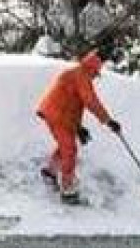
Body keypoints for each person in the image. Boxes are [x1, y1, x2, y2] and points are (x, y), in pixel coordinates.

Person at [36, 50, 122, 205]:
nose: (96, 77)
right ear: (93, 69)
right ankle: (68, 190)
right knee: (70, 149)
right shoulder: (82, 76)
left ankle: (50, 172)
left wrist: (78, 128)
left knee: (65, 146)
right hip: (56, 114)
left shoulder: (79, 73)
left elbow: (73, 104)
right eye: (96, 74)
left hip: (60, 114)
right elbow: (90, 102)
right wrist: (108, 121)